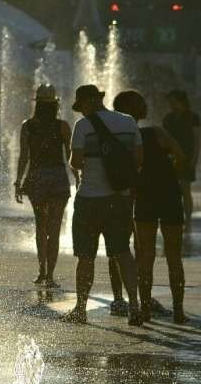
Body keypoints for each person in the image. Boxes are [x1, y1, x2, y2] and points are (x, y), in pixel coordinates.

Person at [62, 85, 144, 326]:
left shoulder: (84, 126)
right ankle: (135, 307)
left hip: (89, 199)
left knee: (85, 257)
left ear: (88, 102)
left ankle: (80, 309)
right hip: (118, 199)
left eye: (81, 107)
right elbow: (139, 159)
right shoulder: (128, 122)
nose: (81, 112)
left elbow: (76, 162)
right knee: (122, 252)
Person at [114, 90, 187, 323]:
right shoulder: (155, 133)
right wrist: (169, 175)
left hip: (144, 198)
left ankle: (144, 310)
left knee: (145, 256)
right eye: (142, 103)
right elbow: (180, 156)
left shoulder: (120, 139)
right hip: (169, 197)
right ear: (137, 110)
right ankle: (178, 311)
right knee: (174, 255)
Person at [14, 84, 74, 287]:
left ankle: (41, 271)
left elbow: (24, 156)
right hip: (58, 178)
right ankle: (50, 275)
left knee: (41, 226)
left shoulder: (28, 126)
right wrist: (79, 178)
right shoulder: (63, 126)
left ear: (37, 104)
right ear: (55, 105)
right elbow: (71, 157)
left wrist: (18, 181)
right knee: (55, 228)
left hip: (37, 178)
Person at [162, 89, 199, 227]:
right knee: (171, 190)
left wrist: (194, 160)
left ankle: (188, 219)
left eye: (173, 101)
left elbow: (197, 140)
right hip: (171, 158)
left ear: (181, 101)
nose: (171, 104)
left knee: (185, 189)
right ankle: (175, 217)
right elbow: (164, 139)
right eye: (170, 101)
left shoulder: (193, 117)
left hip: (187, 158)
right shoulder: (168, 118)